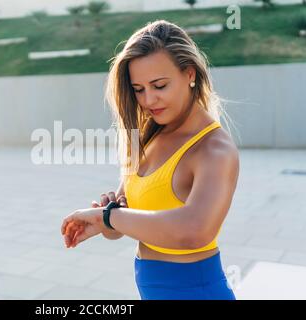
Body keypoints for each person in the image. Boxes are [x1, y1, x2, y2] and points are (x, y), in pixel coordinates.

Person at [61, 20, 239, 300]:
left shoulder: (214, 149)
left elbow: (195, 231)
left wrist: (110, 216)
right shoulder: (145, 135)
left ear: (189, 74)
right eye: (139, 89)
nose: (148, 100)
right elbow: (118, 228)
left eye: (159, 85)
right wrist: (107, 219)